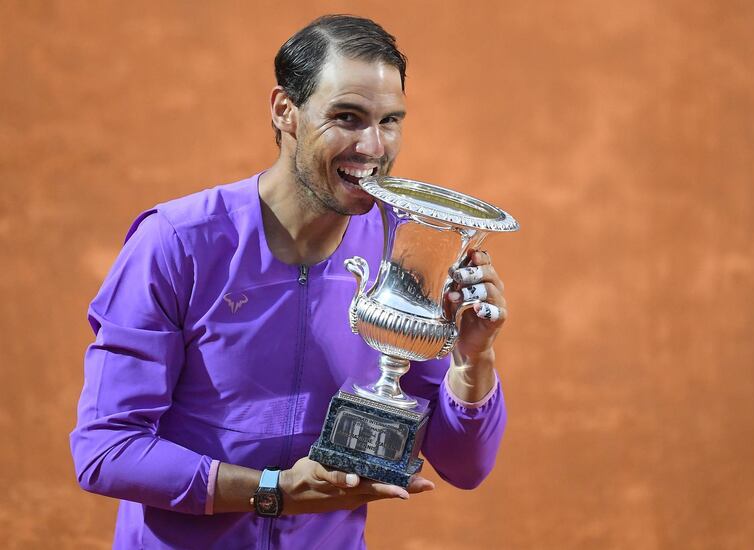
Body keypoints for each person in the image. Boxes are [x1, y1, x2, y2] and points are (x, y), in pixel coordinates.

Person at [70, 14, 509, 549]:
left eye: (390, 121)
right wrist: (272, 492)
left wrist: (473, 359)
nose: (373, 147)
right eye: (347, 117)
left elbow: (464, 467)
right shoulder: (177, 243)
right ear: (285, 111)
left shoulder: (408, 245)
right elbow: (107, 450)